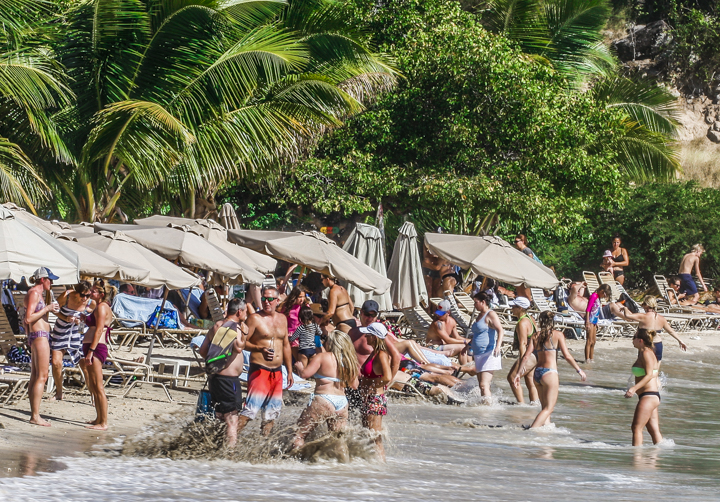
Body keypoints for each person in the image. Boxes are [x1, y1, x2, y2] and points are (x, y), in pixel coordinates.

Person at [513, 311, 586, 428]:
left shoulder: (535, 336)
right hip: (549, 373)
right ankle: (532, 431)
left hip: (537, 374)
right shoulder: (557, 335)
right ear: (553, 321)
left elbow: (526, 356)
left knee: (544, 408)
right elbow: (567, 355)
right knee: (549, 408)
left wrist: (518, 373)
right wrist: (579, 370)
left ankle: (546, 431)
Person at [236, 286, 293, 436]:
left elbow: (286, 345)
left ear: (277, 300)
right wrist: (259, 348)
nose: (266, 302)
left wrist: (290, 371)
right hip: (260, 369)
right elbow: (241, 343)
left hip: (278, 371)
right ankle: (229, 440)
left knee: (272, 412)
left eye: (270, 299)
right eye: (263, 299)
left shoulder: (282, 318)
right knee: (250, 410)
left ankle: (263, 446)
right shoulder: (254, 318)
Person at [292, 330, 359, 451]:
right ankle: (341, 465)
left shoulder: (322, 357)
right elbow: (354, 385)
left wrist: (300, 367)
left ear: (331, 343)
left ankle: (294, 465)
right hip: (342, 402)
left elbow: (305, 374)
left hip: (324, 399)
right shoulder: (350, 361)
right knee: (337, 440)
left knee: (299, 436)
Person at [198, 298, 248, 447]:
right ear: (239, 311)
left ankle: (212, 447)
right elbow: (239, 347)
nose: (246, 314)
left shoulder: (216, 326)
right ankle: (229, 455)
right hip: (228, 381)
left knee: (220, 416)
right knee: (232, 419)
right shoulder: (236, 328)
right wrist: (244, 333)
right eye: (245, 311)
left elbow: (203, 351)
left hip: (215, 378)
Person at [24, 267, 60, 426]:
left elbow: (28, 321)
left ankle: (34, 413)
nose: (51, 282)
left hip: (36, 336)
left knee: (36, 376)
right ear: (42, 279)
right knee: (42, 376)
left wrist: (28, 336)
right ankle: (35, 415)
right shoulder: (34, 293)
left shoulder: (37, 293)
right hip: (39, 337)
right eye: (49, 279)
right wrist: (48, 308)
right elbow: (28, 318)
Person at [50, 281, 93, 401]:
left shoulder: (91, 303)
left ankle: (93, 395)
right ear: (76, 292)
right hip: (61, 331)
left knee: (85, 365)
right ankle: (59, 393)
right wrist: (66, 318)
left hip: (77, 334)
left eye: (88, 295)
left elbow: (88, 321)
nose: (85, 298)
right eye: (82, 295)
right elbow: (53, 309)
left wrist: (80, 323)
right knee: (56, 363)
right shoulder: (67, 296)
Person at [81, 279, 115, 430]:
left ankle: (104, 422)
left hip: (96, 347)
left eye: (94, 291)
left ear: (101, 294)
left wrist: (91, 351)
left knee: (98, 386)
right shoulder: (98, 306)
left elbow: (100, 329)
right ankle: (98, 418)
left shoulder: (102, 307)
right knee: (93, 385)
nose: (91, 292)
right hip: (91, 346)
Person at [618, 296, 687, 369]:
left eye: (643, 304)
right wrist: (680, 341)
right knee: (655, 371)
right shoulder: (662, 318)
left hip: (646, 345)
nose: (643, 306)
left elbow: (628, 315)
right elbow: (671, 331)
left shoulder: (643, 316)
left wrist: (625, 308)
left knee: (643, 369)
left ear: (646, 305)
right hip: (658, 344)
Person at [358, 322, 393, 461]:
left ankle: (380, 466)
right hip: (370, 399)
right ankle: (371, 466)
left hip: (375, 399)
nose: (365, 337)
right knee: (368, 435)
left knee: (375, 437)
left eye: (368, 334)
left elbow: (387, 377)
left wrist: (372, 388)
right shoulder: (375, 353)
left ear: (374, 337)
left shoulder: (382, 354)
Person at [625, 328, 662, 446]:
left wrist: (634, 388)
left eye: (634, 337)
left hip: (649, 396)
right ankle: (658, 457)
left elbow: (650, 374)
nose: (632, 340)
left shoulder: (646, 353)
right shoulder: (645, 352)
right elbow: (654, 372)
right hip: (649, 396)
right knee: (653, 430)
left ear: (640, 340)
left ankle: (636, 458)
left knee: (636, 428)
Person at [468, 292, 504, 402]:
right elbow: (478, 334)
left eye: (476, 302)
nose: (474, 305)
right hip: (478, 353)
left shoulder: (490, 314)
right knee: (481, 385)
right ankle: (485, 405)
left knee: (484, 384)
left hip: (489, 353)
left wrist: (498, 346)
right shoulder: (479, 315)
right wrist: (469, 345)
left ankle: (488, 409)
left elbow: (500, 330)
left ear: (483, 302)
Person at [505, 297, 539, 404]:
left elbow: (523, 344)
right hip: (536, 354)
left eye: (513, 307)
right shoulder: (530, 318)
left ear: (520, 308)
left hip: (528, 355)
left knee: (512, 378)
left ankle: (521, 405)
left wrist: (522, 361)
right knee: (530, 381)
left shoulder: (522, 323)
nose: (511, 309)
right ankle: (535, 404)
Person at [584, 284, 611, 363]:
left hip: (595, 321)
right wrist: (587, 322)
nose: (604, 297)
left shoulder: (598, 297)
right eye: (604, 295)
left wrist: (597, 322)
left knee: (593, 341)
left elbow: (597, 311)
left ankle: (591, 358)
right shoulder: (594, 296)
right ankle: (587, 359)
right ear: (602, 291)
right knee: (589, 341)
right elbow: (588, 309)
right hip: (590, 321)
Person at [279, 287, 306, 359]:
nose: (302, 299)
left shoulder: (305, 307)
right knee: (293, 357)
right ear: (294, 297)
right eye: (300, 297)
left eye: (303, 297)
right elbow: (282, 320)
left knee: (301, 358)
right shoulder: (287, 307)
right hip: (291, 335)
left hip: (302, 335)